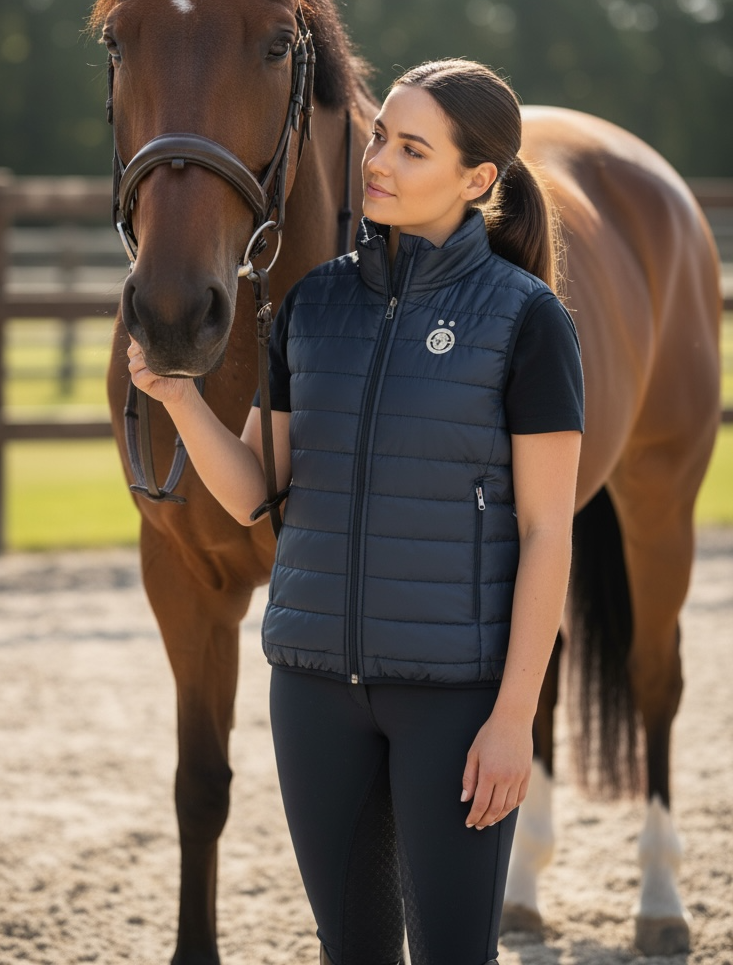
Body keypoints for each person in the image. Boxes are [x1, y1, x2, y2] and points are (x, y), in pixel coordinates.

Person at [128, 58, 584, 965]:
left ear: (477, 180)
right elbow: (261, 490)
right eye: (382, 137)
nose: (379, 161)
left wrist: (513, 718)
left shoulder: (528, 321)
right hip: (311, 695)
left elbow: (546, 534)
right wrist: (179, 399)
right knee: (352, 953)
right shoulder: (311, 306)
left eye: (414, 150)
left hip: (454, 702)